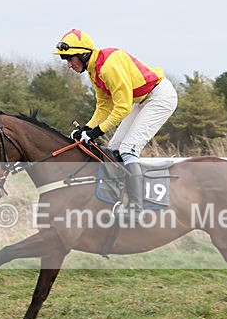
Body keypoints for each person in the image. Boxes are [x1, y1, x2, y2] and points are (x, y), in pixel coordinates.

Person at [54, 29, 178, 220]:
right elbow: (104, 106)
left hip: (160, 97)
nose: (69, 65)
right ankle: (122, 198)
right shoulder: (94, 71)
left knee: (128, 149)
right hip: (141, 100)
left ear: (83, 54)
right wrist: (87, 128)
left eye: (70, 59)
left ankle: (137, 208)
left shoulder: (108, 67)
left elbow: (122, 107)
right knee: (113, 149)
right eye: (66, 60)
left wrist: (96, 132)